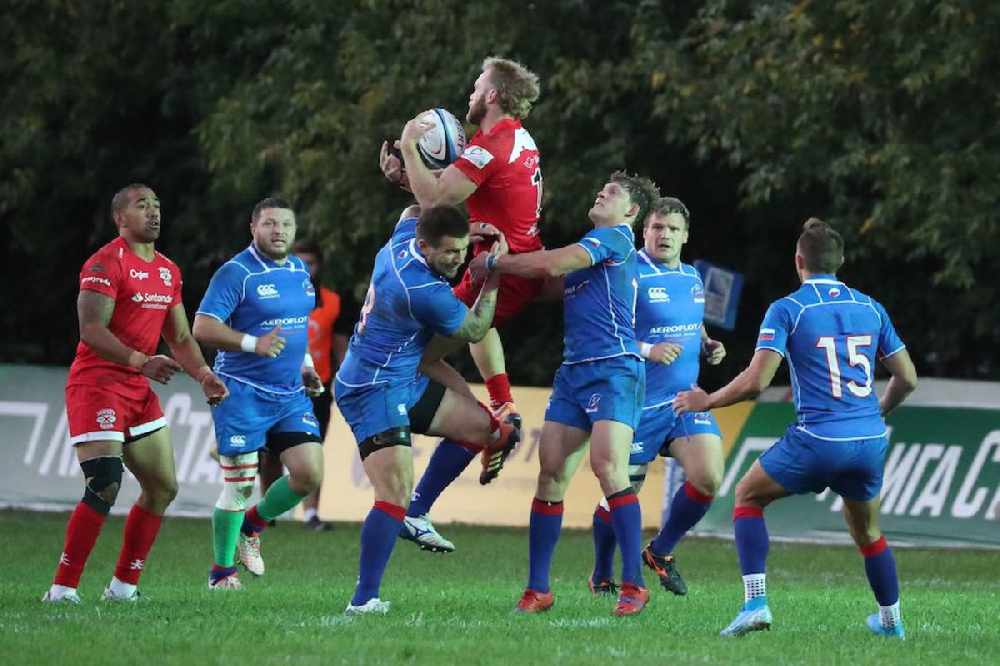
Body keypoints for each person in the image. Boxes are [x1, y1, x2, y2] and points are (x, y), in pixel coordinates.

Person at [674, 218, 918, 638]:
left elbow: (755, 381)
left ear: (798, 260)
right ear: (841, 262)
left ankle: (755, 603)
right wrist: (878, 412)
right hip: (868, 439)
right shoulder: (870, 307)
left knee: (747, 496)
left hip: (819, 437)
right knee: (867, 529)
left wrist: (707, 400)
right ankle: (892, 622)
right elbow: (907, 378)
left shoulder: (789, 309)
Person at [468, 172, 660, 617]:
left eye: (612, 193)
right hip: (574, 372)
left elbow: (551, 265)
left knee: (608, 468)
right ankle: (539, 589)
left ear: (630, 212)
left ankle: (633, 583)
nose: (601, 193)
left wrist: (497, 264)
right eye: (603, 188)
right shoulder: (590, 249)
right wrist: (501, 253)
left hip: (615, 368)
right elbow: (548, 282)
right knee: (550, 473)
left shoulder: (613, 239)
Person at [380, 57, 547, 551]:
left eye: (477, 85)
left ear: (493, 94)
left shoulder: (491, 144)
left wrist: (411, 146)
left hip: (496, 268)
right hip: (513, 260)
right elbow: (451, 199)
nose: (470, 92)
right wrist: (406, 178)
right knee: (460, 341)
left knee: (419, 357)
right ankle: (500, 407)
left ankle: (418, 501)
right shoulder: (517, 139)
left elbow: (435, 207)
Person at [43, 184, 228, 604]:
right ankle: (62, 587)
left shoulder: (168, 270)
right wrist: (140, 360)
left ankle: (123, 586)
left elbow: (179, 335)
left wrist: (202, 374)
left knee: (163, 487)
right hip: (98, 384)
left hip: (137, 389)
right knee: (106, 481)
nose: (154, 213)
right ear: (120, 218)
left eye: (158, 206)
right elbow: (91, 330)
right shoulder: (105, 263)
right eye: (142, 206)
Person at [334, 204, 519, 615]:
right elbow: (473, 329)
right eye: (450, 253)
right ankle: (363, 600)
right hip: (372, 388)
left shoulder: (403, 239)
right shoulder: (421, 289)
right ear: (424, 245)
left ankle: (417, 512)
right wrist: (492, 278)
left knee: (486, 430)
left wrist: (469, 227)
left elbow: (410, 209)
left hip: (404, 379)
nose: (457, 259)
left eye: (461, 249)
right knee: (392, 492)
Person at [588, 197, 727, 598]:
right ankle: (601, 573)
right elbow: (604, 334)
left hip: (684, 402)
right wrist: (648, 349)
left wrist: (707, 345)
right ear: (643, 231)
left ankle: (661, 552)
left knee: (709, 476)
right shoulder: (629, 274)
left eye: (672, 229)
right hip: (638, 403)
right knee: (620, 493)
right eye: (656, 227)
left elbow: (692, 326)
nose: (663, 234)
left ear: (686, 236)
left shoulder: (692, 278)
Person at [192, 197, 326, 590]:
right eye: (269, 223)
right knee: (241, 484)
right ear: (253, 227)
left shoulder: (300, 270)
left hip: (289, 393)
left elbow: (295, 327)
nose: (278, 230)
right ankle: (221, 572)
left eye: (286, 224)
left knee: (308, 473)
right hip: (242, 391)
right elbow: (202, 327)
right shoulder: (236, 273)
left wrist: (307, 369)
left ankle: (253, 526)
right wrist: (254, 344)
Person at [256, 238, 353, 532]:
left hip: (317, 390)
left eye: (309, 261)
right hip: (276, 387)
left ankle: (311, 514)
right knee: (271, 453)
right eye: (298, 261)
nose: (304, 267)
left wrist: (346, 381)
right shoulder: (269, 299)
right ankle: (267, 511)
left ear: (319, 265)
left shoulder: (334, 302)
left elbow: (341, 348)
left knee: (312, 450)